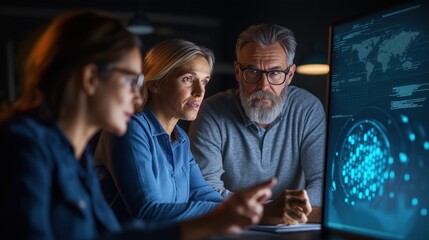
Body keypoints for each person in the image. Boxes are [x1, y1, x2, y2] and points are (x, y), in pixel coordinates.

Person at [0, 10, 276, 240]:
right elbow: (146, 212)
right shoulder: (24, 147)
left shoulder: (72, 153)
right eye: (132, 81)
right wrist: (220, 218)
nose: (136, 96)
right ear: (90, 79)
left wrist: (246, 211)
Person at [188, 23, 326, 225]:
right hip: (232, 230)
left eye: (275, 73)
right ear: (237, 71)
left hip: (292, 230)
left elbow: (322, 181)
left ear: (290, 75)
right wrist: (269, 212)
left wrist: (285, 212)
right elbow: (206, 191)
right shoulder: (211, 112)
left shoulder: (308, 109)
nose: (263, 85)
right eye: (252, 71)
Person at [94, 39, 232, 225]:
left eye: (204, 81)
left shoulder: (181, 139)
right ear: (155, 84)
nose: (200, 92)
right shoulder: (129, 128)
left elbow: (202, 194)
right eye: (188, 79)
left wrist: (250, 209)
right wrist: (234, 211)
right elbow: (148, 211)